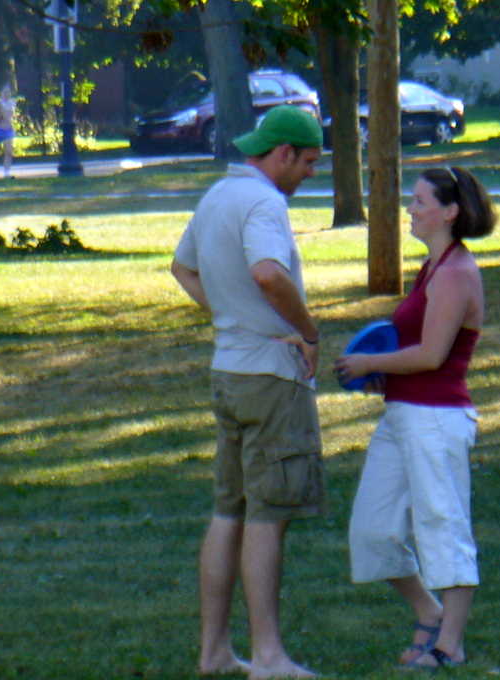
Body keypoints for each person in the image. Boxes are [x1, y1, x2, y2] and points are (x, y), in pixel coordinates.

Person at [170, 105, 326, 680]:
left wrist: (231, 315)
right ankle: (268, 657)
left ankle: (213, 652)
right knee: (268, 515)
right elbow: (267, 272)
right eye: (308, 162)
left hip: (228, 370)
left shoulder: (218, 195)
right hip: (269, 378)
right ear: (282, 153)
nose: (310, 173)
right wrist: (308, 332)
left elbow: (182, 269)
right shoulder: (263, 203)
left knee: (227, 510)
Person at [335, 166, 497, 670]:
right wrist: (384, 372)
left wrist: (370, 364)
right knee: (373, 532)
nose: (411, 208)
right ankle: (427, 612)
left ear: (450, 211)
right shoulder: (431, 268)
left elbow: (431, 355)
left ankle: (450, 642)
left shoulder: (455, 273)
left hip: (436, 417)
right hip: (403, 413)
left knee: (442, 523)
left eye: (421, 200)